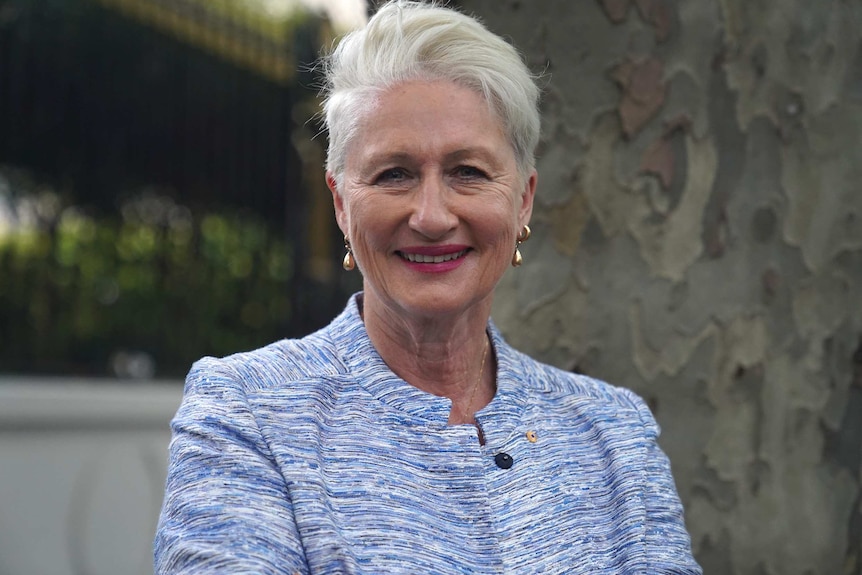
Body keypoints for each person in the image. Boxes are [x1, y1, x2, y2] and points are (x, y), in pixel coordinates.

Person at [154, 1, 702, 573]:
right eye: (394, 174)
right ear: (341, 203)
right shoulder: (248, 413)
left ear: (523, 201)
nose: (432, 215)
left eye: (468, 172)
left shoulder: (614, 433)